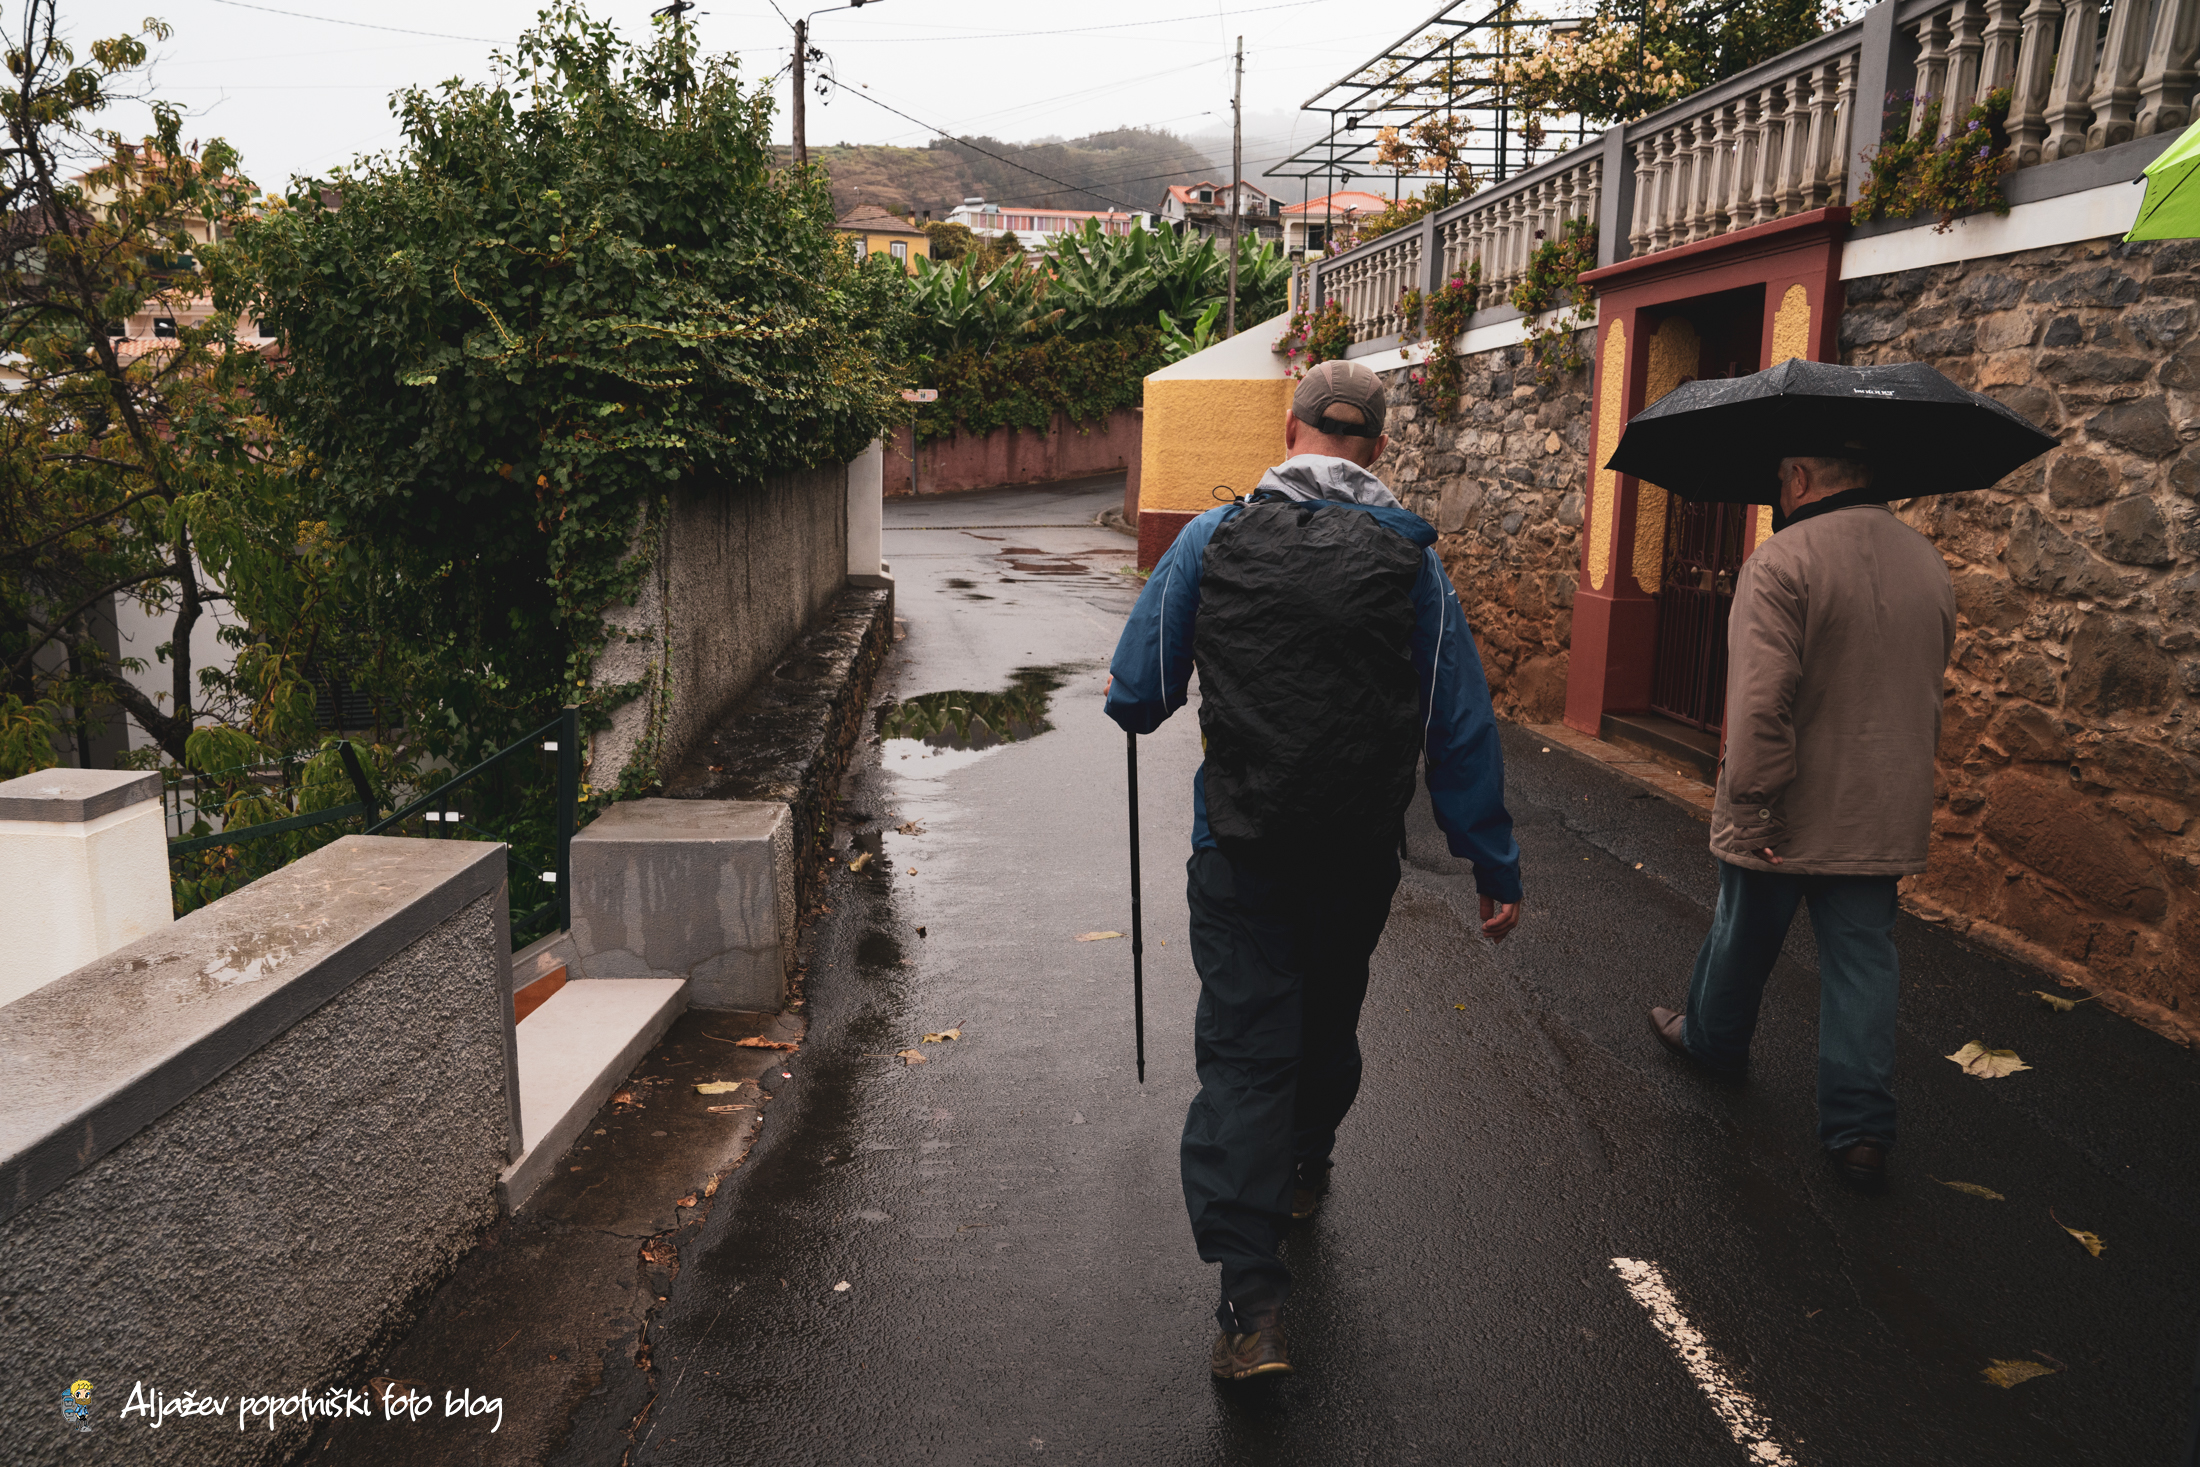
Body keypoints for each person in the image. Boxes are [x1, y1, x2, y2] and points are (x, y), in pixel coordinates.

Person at [1105, 359, 1523, 1381]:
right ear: (1377, 446)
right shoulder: (1413, 562)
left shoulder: (1211, 537)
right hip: (1354, 854)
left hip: (1238, 850)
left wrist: (1147, 695)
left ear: (1289, 432)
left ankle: (1251, 1311)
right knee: (1327, 1019)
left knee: (1245, 1056)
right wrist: (1490, 858)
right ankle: (1304, 1162)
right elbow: (1457, 723)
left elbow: (1139, 690)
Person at [1648, 449, 1955, 1193]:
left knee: (1743, 929)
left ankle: (1714, 1043)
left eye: (1780, 481)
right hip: (1879, 806)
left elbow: (1760, 703)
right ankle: (1861, 1132)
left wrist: (1753, 805)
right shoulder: (1927, 562)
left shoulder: (1781, 562)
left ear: (1799, 478)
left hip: (1787, 807)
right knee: (1863, 960)